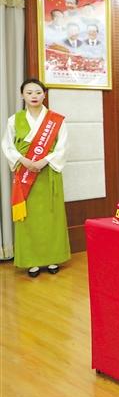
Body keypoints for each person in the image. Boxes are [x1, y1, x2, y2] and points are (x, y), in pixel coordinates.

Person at [1, 79, 71, 277]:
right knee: (28, 218)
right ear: (22, 95)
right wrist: (23, 160)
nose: (34, 96)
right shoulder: (14, 120)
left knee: (52, 216)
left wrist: (44, 161)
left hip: (49, 173)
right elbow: (7, 146)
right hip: (25, 175)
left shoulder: (56, 120)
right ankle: (31, 261)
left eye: (38, 92)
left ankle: (53, 258)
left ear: (44, 95)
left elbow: (63, 146)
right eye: (29, 92)